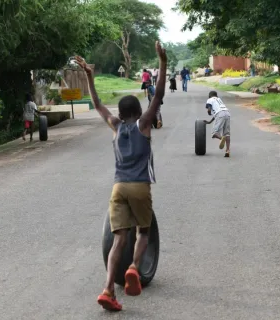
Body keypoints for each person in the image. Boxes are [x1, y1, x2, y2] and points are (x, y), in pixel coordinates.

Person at [74, 41, 167, 312]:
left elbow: (98, 104)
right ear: (138, 114)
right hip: (139, 186)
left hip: (118, 187)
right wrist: (162, 61)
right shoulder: (144, 124)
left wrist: (89, 77)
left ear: (120, 114)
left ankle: (107, 289)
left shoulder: (114, 125)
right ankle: (135, 268)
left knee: (119, 239)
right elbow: (158, 95)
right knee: (144, 232)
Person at [203, 91, 231, 157]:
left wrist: (209, 112)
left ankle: (221, 138)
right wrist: (209, 122)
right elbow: (217, 113)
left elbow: (210, 110)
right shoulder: (219, 99)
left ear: (209, 96)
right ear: (216, 96)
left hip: (220, 114)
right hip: (227, 113)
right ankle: (227, 150)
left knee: (214, 133)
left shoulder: (210, 100)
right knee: (227, 133)